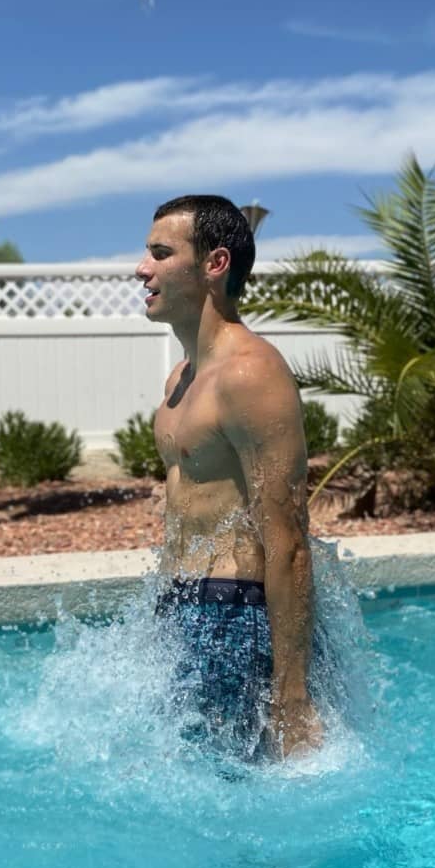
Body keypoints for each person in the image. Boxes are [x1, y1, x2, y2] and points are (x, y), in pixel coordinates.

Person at [136, 194, 323, 760]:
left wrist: (291, 697)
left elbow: (288, 539)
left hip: (236, 615)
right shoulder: (180, 380)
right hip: (184, 606)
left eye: (160, 253)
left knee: (233, 807)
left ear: (214, 264)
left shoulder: (250, 374)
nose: (141, 268)